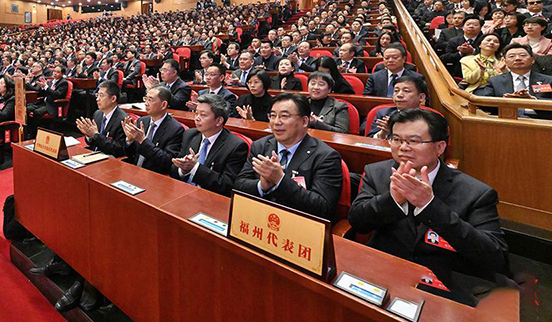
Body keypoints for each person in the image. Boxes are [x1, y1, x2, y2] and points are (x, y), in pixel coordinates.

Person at [348, 109, 509, 303]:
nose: (403, 147)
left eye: (414, 141)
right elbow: (358, 222)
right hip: (384, 271)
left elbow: (495, 256)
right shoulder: (377, 172)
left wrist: (429, 206)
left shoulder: (476, 192)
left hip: (445, 281)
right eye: (396, 139)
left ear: (440, 147)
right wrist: (391, 200)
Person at [234, 93, 343, 221]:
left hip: (298, 225)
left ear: (304, 121)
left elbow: (322, 208)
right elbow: (239, 185)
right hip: (259, 218)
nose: (276, 122)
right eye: (272, 116)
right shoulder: (260, 146)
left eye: (284, 116)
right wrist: (261, 186)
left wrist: (280, 180)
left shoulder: (326, 156)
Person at [171, 94, 247, 196]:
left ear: (219, 120)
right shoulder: (190, 135)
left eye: (203, 115)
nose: (197, 118)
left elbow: (227, 185)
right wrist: (182, 170)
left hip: (210, 199)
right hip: (183, 192)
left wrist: (195, 168)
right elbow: (173, 168)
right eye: (196, 113)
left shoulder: (236, 146)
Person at [474, 43, 552, 119]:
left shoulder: (548, 80)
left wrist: (533, 100)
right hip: (508, 120)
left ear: (532, 60)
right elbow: (485, 104)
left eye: (523, 55)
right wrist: (503, 102)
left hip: (541, 121)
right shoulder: (495, 81)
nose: (517, 58)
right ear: (504, 61)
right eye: (511, 56)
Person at [120, 85, 184, 174]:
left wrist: (143, 141)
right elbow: (131, 155)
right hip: (135, 171)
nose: (146, 103)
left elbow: (167, 161)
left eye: (150, 100)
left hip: (155, 175)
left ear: (164, 104)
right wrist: (129, 141)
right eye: (145, 99)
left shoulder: (175, 129)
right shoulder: (142, 121)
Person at [77, 80, 129, 158]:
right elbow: (92, 143)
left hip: (110, 160)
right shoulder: (97, 114)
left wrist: (95, 135)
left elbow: (119, 149)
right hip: (93, 155)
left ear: (113, 98)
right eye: (97, 95)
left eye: (101, 95)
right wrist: (89, 136)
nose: (97, 99)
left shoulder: (122, 119)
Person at [26, 65, 71, 138]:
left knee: (37, 112)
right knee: (27, 108)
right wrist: (42, 88)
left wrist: (46, 87)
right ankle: (30, 131)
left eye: (58, 72)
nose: (55, 73)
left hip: (52, 104)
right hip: (43, 102)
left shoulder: (63, 83)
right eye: (54, 71)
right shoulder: (50, 82)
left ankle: (35, 134)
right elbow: (45, 93)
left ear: (62, 74)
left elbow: (57, 95)